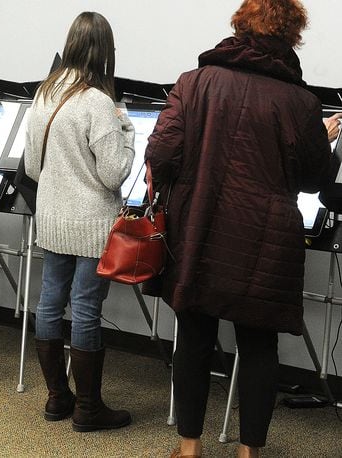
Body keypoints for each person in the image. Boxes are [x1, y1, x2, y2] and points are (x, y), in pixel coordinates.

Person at [144, 1, 338, 457]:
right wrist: (324, 141)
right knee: (258, 345)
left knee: (193, 338)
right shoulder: (302, 102)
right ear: (293, 36)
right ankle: (249, 452)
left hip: (198, 229)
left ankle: (189, 447)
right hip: (266, 241)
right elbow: (313, 179)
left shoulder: (193, 83)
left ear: (239, 26)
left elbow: (161, 154)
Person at [23, 12, 135, 431]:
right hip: (91, 224)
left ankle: (57, 399)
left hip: (52, 219)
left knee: (50, 301)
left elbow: (33, 167)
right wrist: (127, 131)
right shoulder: (99, 103)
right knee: (86, 308)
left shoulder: (44, 94)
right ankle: (89, 408)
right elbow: (114, 173)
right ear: (105, 52)